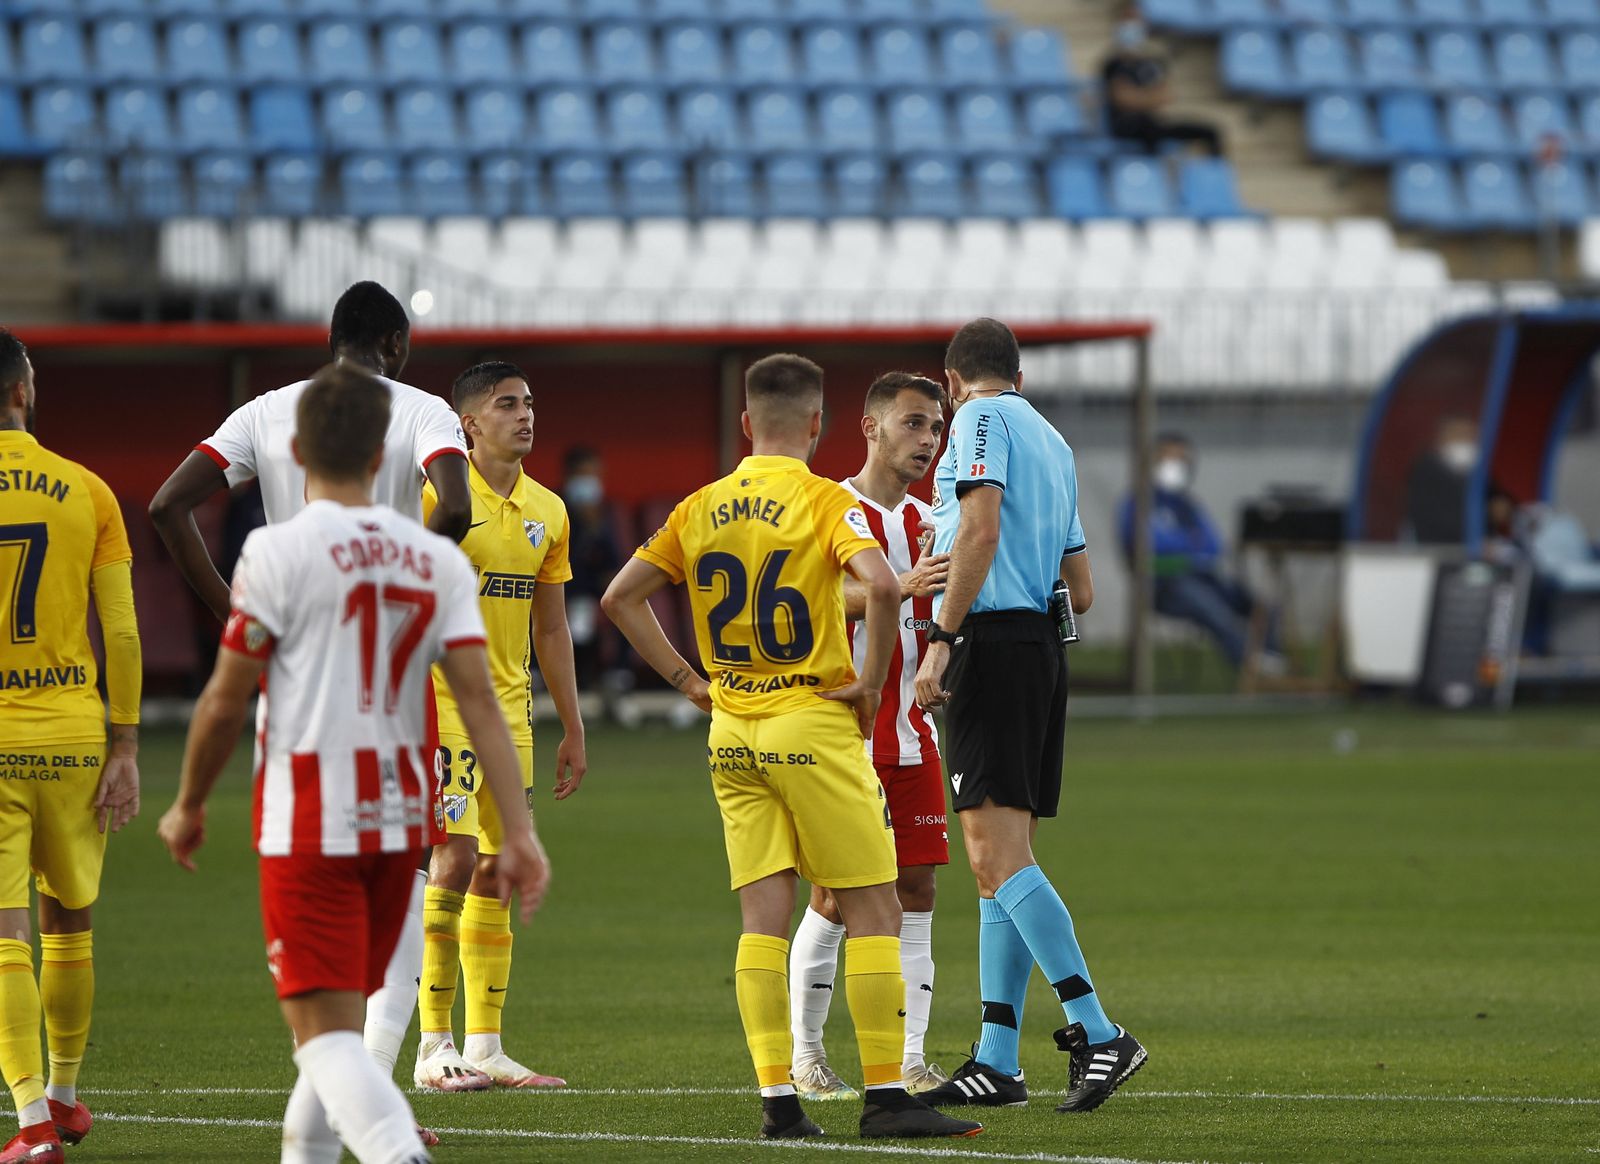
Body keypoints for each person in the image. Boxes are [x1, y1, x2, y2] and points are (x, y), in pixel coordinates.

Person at [156, 364, 550, 1164]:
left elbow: (228, 698)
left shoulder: (275, 552)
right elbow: (479, 702)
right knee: (334, 1056)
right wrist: (520, 831)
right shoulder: (435, 558)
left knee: (323, 1043)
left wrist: (189, 801)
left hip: (309, 819)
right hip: (405, 814)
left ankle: (398, 1151)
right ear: (381, 458)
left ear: (297, 453)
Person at [601, 355, 982, 1142]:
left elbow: (619, 598)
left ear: (746, 423)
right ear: (818, 426)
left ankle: (780, 1101)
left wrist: (686, 679)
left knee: (762, 919)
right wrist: (873, 683)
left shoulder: (700, 505)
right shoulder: (819, 499)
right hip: (809, 719)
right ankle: (886, 1094)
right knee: (877, 904)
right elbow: (881, 586)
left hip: (732, 730)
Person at [148, 281, 472, 1097]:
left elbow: (167, 505)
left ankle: (349, 1103)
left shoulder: (264, 410)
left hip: (292, 695)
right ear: (395, 343)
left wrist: (239, 614)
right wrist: (407, 578)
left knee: (310, 916)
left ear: (332, 339)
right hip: (391, 684)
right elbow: (458, 507)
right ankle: (377, 1100)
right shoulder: (422, 407)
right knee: (407, 892)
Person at [913, 319, 1146, 1114]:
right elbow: (1079, 589)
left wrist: (942, 638)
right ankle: (997, 1055)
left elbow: (977, 527)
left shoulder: (980, 421)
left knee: (994, 854)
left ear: (952, 380)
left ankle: (1099, 1029)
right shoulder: (1055, 441)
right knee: (997, 862)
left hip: (992, 642)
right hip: (1041, 646)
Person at [414, 362, 586, 1092]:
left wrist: (571, 725)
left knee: (496, 869)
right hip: (443, 707)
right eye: (507, 404)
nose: (525, 415)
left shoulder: (549, 509)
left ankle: (485, 1046)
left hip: (510, 716)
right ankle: (432, 1047)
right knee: (450, 860)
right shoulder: (435, 501)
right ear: (469, 423)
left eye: (530, 402)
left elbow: (551, 628)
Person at [787, 372, 954, 1101]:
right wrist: (897, 587)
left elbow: (946, 607)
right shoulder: (827, 508)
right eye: (914, 424)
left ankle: (913, 1059)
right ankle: (806, 1056)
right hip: (839, 738)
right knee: (833, 896)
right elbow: (807, 594)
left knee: (917, 887)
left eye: (936, 427)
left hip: (913, 737)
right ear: (870, 427)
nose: (928, 440)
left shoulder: (930, 520)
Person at [0, 329, 141, 1164]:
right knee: (68, 916)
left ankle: (30, 1125)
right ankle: (66, 1094)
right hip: (72, 731)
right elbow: (119, 629)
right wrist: (125, 742)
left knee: (4, 925)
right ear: (25, 390)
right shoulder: (87, 490)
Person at [1118, 433, 1277, 671]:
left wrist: (1181, 551)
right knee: (1216, 612)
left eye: (1182, 461)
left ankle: (1274, 658)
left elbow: (1213, 546)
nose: (1176, 468)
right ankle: (1251, 667)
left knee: (1261, 607)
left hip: (1204, 578)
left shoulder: (1188, 506)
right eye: (1169, 461)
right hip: (1163, 586)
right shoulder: (1135, 505)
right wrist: (1187, 550)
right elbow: (1147, 549)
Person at [1101, 2, 1224, 157]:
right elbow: (1123, 100)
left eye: (1138, 20)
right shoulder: (1113, 64)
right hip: (1126, 128)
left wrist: (1139, 98)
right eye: (1129, 20)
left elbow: (1166, 96)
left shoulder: (1153, 62)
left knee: (1209, 132)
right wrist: (1148, 98)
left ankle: (1211, 175)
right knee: (1148, 130)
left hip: (1153, 125)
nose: (1134, 26)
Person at [559, 446, 625, 695]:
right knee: (580, 618)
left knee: (625, 602)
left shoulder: (603, 512)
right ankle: (578, 683)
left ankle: (617, 677)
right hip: (565, 588)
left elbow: (612, 559)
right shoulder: (557, 507)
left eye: (595, 474)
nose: (591, 481)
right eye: (584, 474)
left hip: (594, 588)